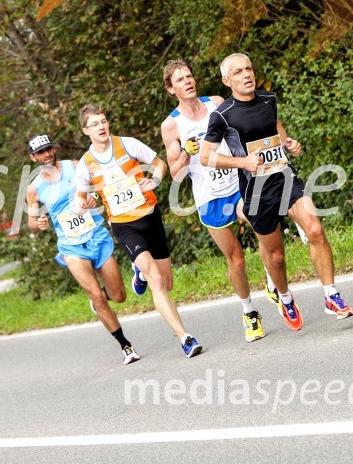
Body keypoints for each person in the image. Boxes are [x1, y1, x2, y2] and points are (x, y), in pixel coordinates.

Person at [200, 53, 353, 331]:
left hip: (285, 177)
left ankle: (331, 296)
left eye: (249, 68)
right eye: (238, 72)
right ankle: (285, 298)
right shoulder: (222, 115)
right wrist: (242, 163)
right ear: (226, 81)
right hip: (256, 190)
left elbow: (276, 126)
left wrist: (289, 144)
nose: (247, 74)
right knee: (276, 256)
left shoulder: (268, 99)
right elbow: (205, 157)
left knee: (315, 229)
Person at [74, 105, 203, 358]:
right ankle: (185, 338)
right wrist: (85, 203)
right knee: (156, 281)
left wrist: (154, 180)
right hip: (125, 225)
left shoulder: (128, 144)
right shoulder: (86, 165)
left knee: (166, 282)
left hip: (150, 216)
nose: (101, 127)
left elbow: (159, 164)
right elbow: (80, 199)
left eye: (103, 121)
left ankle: (139, 272)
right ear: (85, 130)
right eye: (95, 124)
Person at [160, 59, 266, 343]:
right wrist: (185, 152)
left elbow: (239, 131)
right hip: (209, 196)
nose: (188, 81)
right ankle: (249, 311)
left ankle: (272, 283)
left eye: (189, 76)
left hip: (237, 182)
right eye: (180, 79)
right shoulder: (171, 125)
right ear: (171, 89)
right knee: (236, 259)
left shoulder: (217, 103)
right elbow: (176, 173)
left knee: (261, 224)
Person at [25, 134, 140, 365]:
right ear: (33, 157)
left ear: (53, 149)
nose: (47, 154)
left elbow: (98, 189)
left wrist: (93, 198)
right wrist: (38, 223)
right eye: (40, 152)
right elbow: (31, 221)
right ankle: (125, 346)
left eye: (48, 149)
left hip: (96, 236)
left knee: (119, 296)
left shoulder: (75, 166)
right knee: (95, 295)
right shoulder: (34, 188)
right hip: (71, 247)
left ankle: (102, 298)